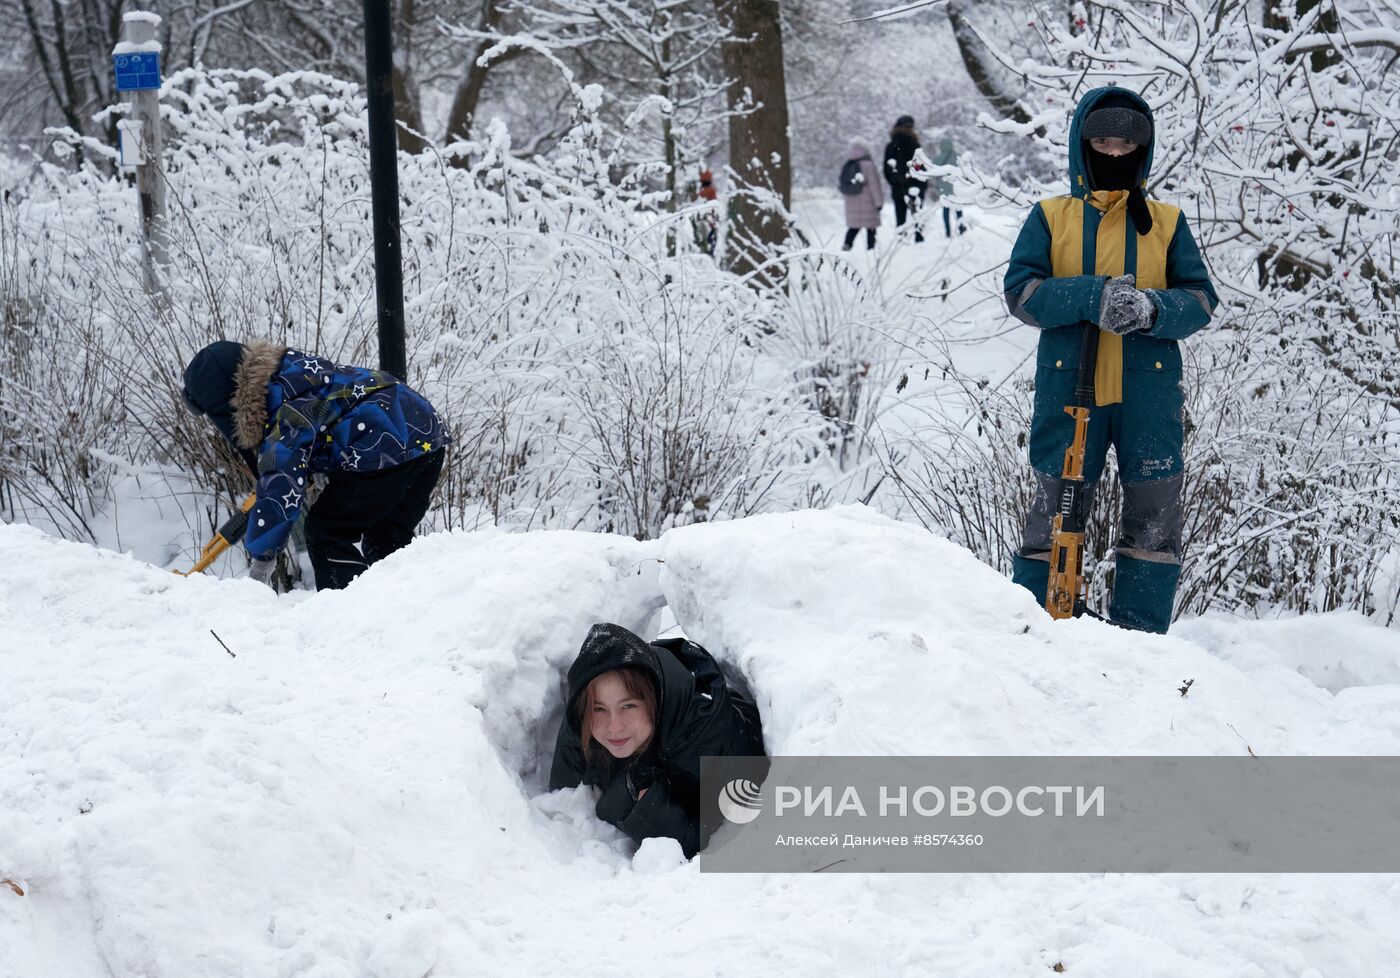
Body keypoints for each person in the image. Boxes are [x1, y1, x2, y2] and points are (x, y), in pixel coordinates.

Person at [1003, 87, 1219, 634]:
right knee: (1055, 513)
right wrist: (1089, 297)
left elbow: (1200, 300)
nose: (1115, 153)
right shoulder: (1052, 217)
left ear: (1142, 149)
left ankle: (1141, 642)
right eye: (1103, 140)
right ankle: (1038, 630)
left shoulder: (1167, 222)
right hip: (1068, 391)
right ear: (1082, 143)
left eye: (1127, 143)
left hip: (1148, 396)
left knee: (1153, 521)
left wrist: (1150, 308)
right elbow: (1022, 293)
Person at [181, 340, 450, 591]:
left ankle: (347, 618)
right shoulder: (294, 374)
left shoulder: (283, 411)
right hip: (425, 434)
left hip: (388, 445)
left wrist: (261, 565)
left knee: (325, 533)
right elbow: (335, 413)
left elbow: (280, 488)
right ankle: (415, 606)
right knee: (386, 538)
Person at [549, 622, 766, 858]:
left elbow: (733, 840)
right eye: (600, 709)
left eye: (628, 706)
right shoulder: (585, 722)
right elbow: (561, 798)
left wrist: (650, 812)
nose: (614, 727)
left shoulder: (709, 737)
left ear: (653, 700)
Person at [883, 115, 927, 241]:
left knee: (900, 218)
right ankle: (919, 241)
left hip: (898, 187)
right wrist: (922, 183)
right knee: (917, 216)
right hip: (915, 186)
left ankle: (900, 243)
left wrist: (895, 181)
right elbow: (921, 167)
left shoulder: (891, 146)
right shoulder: (915, 145)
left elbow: (887, 170)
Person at [840, 139, 884, 251]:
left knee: (854, 227)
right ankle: (871, 249)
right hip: (868, 201)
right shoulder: (868, 165)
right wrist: (879, 203)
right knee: (871, 226)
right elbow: (874, 186)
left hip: (851, 200)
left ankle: (847, 245)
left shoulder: (848, 164)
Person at [927, 133, 963, 237]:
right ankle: (961, 228)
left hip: (943, 189)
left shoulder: (937, 159)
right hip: (956, 188)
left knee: (945, 210)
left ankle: (948, 231)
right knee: (958, 208)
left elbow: (933, 173)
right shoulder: (958, 157)